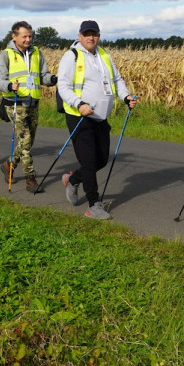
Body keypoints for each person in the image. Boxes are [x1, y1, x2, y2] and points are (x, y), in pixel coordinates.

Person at [57, 20, 138, 220]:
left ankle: (73, 179)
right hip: (79, 116)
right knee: (89, 161)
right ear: (80, 36)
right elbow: (63, 86)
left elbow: (117, 79)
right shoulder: (71, 57)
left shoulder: (104, 54)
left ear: (99, 35)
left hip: (101, 117)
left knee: (101, 159)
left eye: (95, 34)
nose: (91, 37)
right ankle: (93, 205)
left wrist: (125, 96)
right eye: (87, 34)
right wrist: (79, 104)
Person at [0, 21, 57, 192]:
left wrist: (51, 79)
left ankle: (8, 166)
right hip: (15, 103)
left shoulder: (37, 52)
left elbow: (42, 75)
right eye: (25, 36)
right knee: (26, 140)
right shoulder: (6, 55)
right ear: (14, 37)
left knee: (26, 143)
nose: (29, 39)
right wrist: (9, 86)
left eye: (30, 36)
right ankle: (31, 179)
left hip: (34, 102)